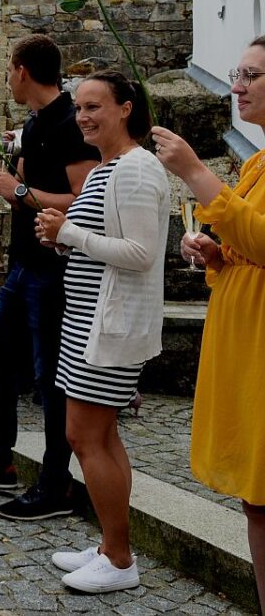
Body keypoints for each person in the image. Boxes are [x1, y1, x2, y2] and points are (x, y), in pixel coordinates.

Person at [0, 34, 99, 521]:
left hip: (57, 269)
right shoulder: (33, 124)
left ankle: (57, 485)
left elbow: (83, 199)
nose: (6, 78)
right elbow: (19, 196)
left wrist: (24, 188)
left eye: (9, 69)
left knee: (51, 377)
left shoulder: (72, 123)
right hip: (24, 264)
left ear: (23, 71)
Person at [35, 69, 167, 594]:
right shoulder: (104, 170)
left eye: (95, 106)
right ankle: (111, 545)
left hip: (107, 327)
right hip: (88, 321)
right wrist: (67, 241)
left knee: (85, 436)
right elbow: (103, 242)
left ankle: (118, 558)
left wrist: (68, 232)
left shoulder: (135, 169)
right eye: (80, 108)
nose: (84, 116)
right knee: (101, 435)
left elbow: (140, 254)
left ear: (125, 108)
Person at [152, 36, 265, 605]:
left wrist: (196, 171)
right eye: (235, 73)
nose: (237, 86)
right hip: (245, 331)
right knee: (257, 498)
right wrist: (218, 256)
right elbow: (248, 247)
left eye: (250, 75)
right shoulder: (258, 161)